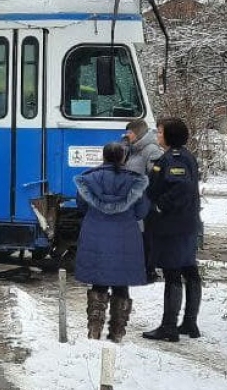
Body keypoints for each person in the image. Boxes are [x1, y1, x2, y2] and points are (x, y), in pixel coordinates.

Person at [73, 141, 150, 343]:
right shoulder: (135, 181)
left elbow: (81, 205)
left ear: (104, 157)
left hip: (95, 234)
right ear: (123, 158)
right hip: (126, 237)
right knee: (121, 285)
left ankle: (94, 330)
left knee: (98, 282)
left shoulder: (89, 179)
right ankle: (117, 333)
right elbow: (142, 211)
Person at [142, 117, 203, 342]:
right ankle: (189, 323)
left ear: (170, 135)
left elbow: (181, 187)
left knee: (173, 272)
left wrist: (159, 205)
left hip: (173, 225)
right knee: (190, 271)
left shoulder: (174, 158)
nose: (158, 136)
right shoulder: (184, 155)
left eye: (160, 132)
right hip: (185, 223)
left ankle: (169, 327)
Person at [124, 119, 164, 283]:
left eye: (130, 133)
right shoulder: (134, 150)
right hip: (136, 202)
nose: (127, 136)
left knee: (148, 237)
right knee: (139, 236)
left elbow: (157, 176)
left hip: (146, 202)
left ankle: (149, 270)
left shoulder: (151, 150)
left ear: (138, 133)